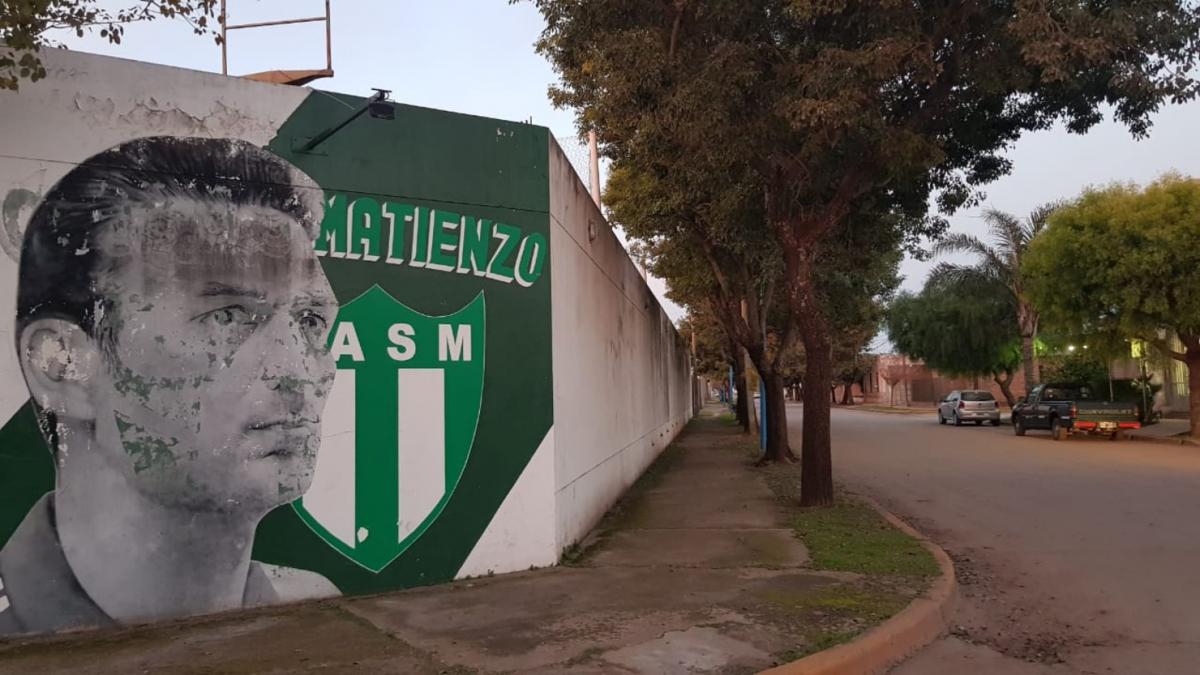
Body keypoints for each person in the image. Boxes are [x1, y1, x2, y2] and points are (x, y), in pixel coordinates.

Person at [0, 136, 340, 634]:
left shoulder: (310, 607)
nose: (297, 371)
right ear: (61, 365)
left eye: (310, 321)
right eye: (228, 316)